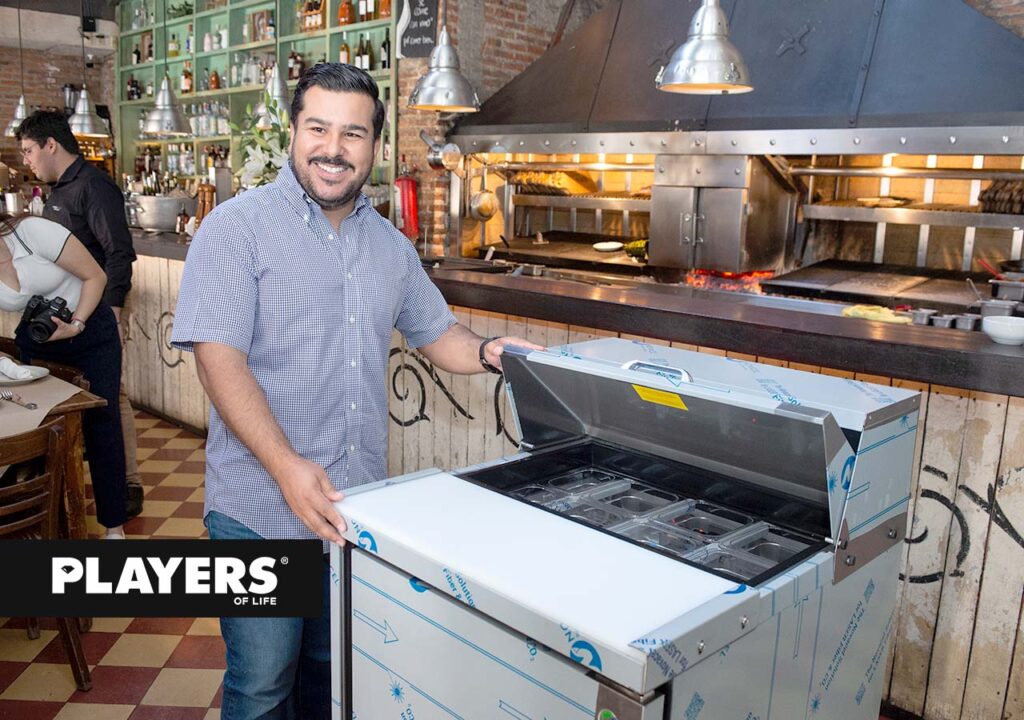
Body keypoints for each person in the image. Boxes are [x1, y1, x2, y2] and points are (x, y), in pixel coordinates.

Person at [171, 63, 542, 719]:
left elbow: (437, 333)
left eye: (352, 133)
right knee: (261, 685)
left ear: (374, 145)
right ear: (293, 132)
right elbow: (218, 362)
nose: (333, 149)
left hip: (353, 507)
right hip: (257, 508)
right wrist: (286, 466)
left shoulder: (391, 248)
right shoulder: (235, 228)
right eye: (318, 128)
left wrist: (490, 353)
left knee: (330, 675)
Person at [16, 111, 144, 519]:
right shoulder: (59, 191)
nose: (26, 160)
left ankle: (128, 484)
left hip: (99, 310)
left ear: (51, 145)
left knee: (110, 398)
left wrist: (114, 310)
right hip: (67, 314)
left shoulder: (93, 186)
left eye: (29, 150)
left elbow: (119, 253)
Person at [0, 213, 128, 538]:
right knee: (40, 428)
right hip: (39, 340)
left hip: (89, 330)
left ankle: (114, 527)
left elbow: (95, 277)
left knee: (102, 425)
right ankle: (49, 523)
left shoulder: (31, 232)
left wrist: (77, 323)